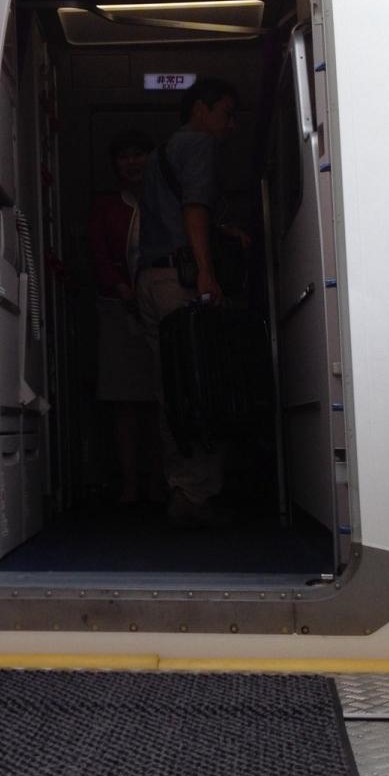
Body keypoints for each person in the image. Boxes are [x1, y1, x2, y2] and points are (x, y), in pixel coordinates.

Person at [137, 77, 249, 527]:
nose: (231, 126)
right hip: (181, 279)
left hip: (151, 280)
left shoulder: (159, 155)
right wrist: (206, 270)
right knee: (201, 383)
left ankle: (181, 486)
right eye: (226, 114)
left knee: (172, 386)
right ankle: (195, 494)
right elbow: (193, 209)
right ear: (201, 109)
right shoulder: (200, 145)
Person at [87, 128, 159, 505]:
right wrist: (121, 288)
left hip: (160, 308)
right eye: (124, 156)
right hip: (119, 310)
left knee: (162, 400)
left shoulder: (166, 200)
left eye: (139, 154)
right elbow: (98, 255)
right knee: (125, 402)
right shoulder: (105, 206)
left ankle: (161, 483)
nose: (132, 162)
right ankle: (130, 486)